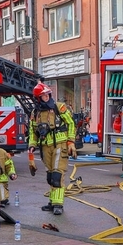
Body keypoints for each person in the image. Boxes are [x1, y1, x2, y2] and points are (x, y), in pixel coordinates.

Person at [27, 82, 75, 215]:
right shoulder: (35, 113)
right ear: (38, 98)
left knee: (57, 175)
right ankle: (53, 201)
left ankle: (58, 204)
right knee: (50, 176)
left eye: (48, 94)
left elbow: (71, 124)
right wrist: (32, 145)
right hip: (44, 147)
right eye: (43, 96)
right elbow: (32, 132)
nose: (47, 97)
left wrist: (71, 142)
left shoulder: (59, 107)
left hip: (60, 145)